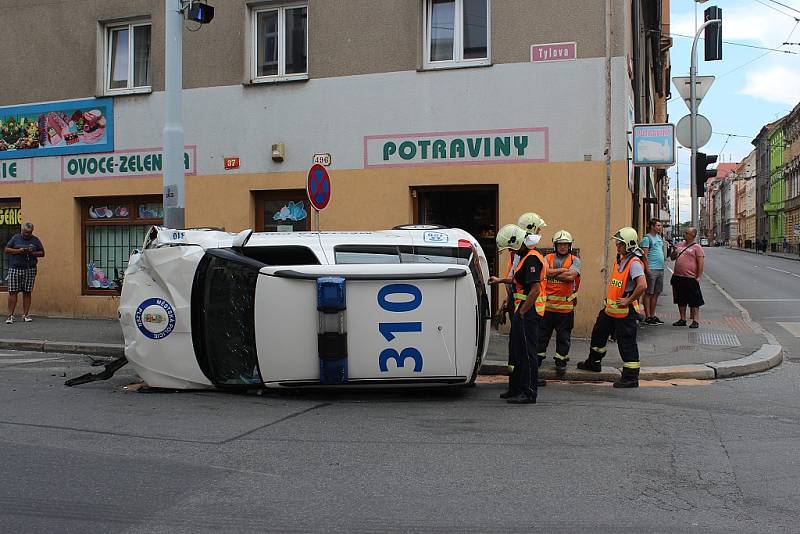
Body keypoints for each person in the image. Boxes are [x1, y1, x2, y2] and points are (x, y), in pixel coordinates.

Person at [577, 227, 647, 388]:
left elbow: (642, 285)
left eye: (620, 243)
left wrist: (629, 300)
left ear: (628, 245)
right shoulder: (620, 258)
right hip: (611, 309)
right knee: (598, 335)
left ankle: (631, 377)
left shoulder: (634, 263)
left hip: (625, 312)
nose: (617, 246)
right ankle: (593, 362)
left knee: (626, 343)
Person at [488, 222, 547, 404]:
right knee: (517, 351)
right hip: (521, 308)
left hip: (528, 311)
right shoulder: (524, 257)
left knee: (527, 352)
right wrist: (500, 280)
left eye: (509, 248)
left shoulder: (531, 259)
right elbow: (517, 280)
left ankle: (528, 392)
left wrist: (522, 311)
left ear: (516, 243)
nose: (508, 251)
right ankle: (516, 388)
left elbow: (535, 289)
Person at [536, 229, 580, 377]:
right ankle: (538, 358)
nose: (563, 247)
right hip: (546, 308)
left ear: (570, 246)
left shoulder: (575, 260)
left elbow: (571, 277)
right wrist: (562, 270)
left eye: (565, 244)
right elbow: (545, 272)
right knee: (541, 336)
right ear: (555, 245)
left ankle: (561, 363)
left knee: (564, 338)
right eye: (560, 244)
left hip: (565, 311)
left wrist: (553, 271)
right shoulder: (547, 257)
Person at [5, 222, 45, 324]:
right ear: (22, 230)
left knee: (27, 292)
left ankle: (26, 315)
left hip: (30, 269)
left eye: (30, 232)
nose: (27, 234)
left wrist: (33, 253)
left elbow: (42, 253)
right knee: (13, 292)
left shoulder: (35, 240)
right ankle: (10, 316)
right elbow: (7, 250)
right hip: (15, 268)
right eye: (26, 232)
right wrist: (19, 251)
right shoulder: (15, 238)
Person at [669, 227, 705, 329]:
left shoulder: (697, 247)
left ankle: (695, 320)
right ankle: (682, 319)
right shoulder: (679, 245)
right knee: (680, 299)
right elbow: (672, 258)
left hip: (691, 277)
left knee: (694, 300)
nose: (684, 234)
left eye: (687, 233)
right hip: (678, 276)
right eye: (684, 232)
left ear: (692, 235)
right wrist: (674, 253)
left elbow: (701, 263)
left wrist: (699, 276)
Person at [640, 219, 665, 325]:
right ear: (652, 226)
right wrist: (647, 269)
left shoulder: (659, 238)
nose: (660, 227)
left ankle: (653, 315)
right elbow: (644, 255)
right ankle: (648, 316)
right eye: (658, 225)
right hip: (652, 269)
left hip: (660, 269)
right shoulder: (647, 238)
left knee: (656, 293)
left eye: (661, 225)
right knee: (649, 293)